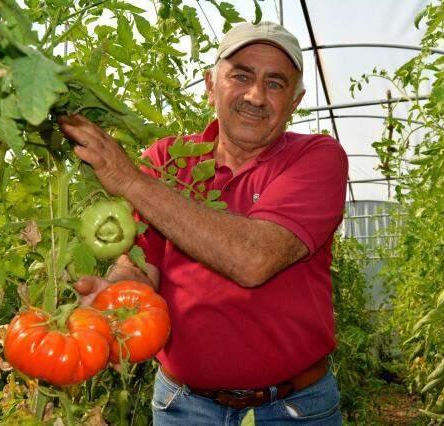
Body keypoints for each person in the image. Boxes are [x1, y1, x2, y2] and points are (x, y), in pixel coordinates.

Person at [59, 20, 348, 426]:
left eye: (276, 83)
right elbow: (141, 263)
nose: (255, 96)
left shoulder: (317, 157)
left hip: (294, 409)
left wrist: (129, 180)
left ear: (296, 101)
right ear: (211, 85)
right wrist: (117, 296)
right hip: (183, 407)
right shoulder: (168, 158)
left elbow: (254, 259)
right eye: (241, 76)